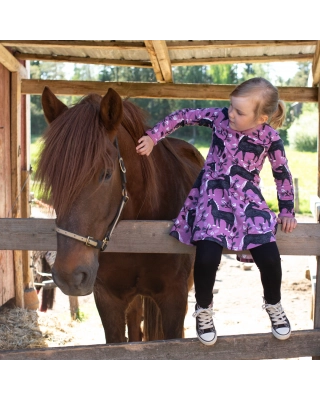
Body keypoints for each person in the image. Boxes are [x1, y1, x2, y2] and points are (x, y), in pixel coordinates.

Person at [136, 77, 297, 346]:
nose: (231, 114)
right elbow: (184, 116)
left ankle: (274, 304)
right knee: (207, 256)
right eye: (231, 107)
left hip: (248, 202)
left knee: (269, 257)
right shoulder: (220, 118)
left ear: (262, 118)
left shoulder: (271, 138)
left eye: (239, 112)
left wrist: (287, 210)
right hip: (213, 199)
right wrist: (154, 136)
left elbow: (282, 174)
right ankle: (204, 309)